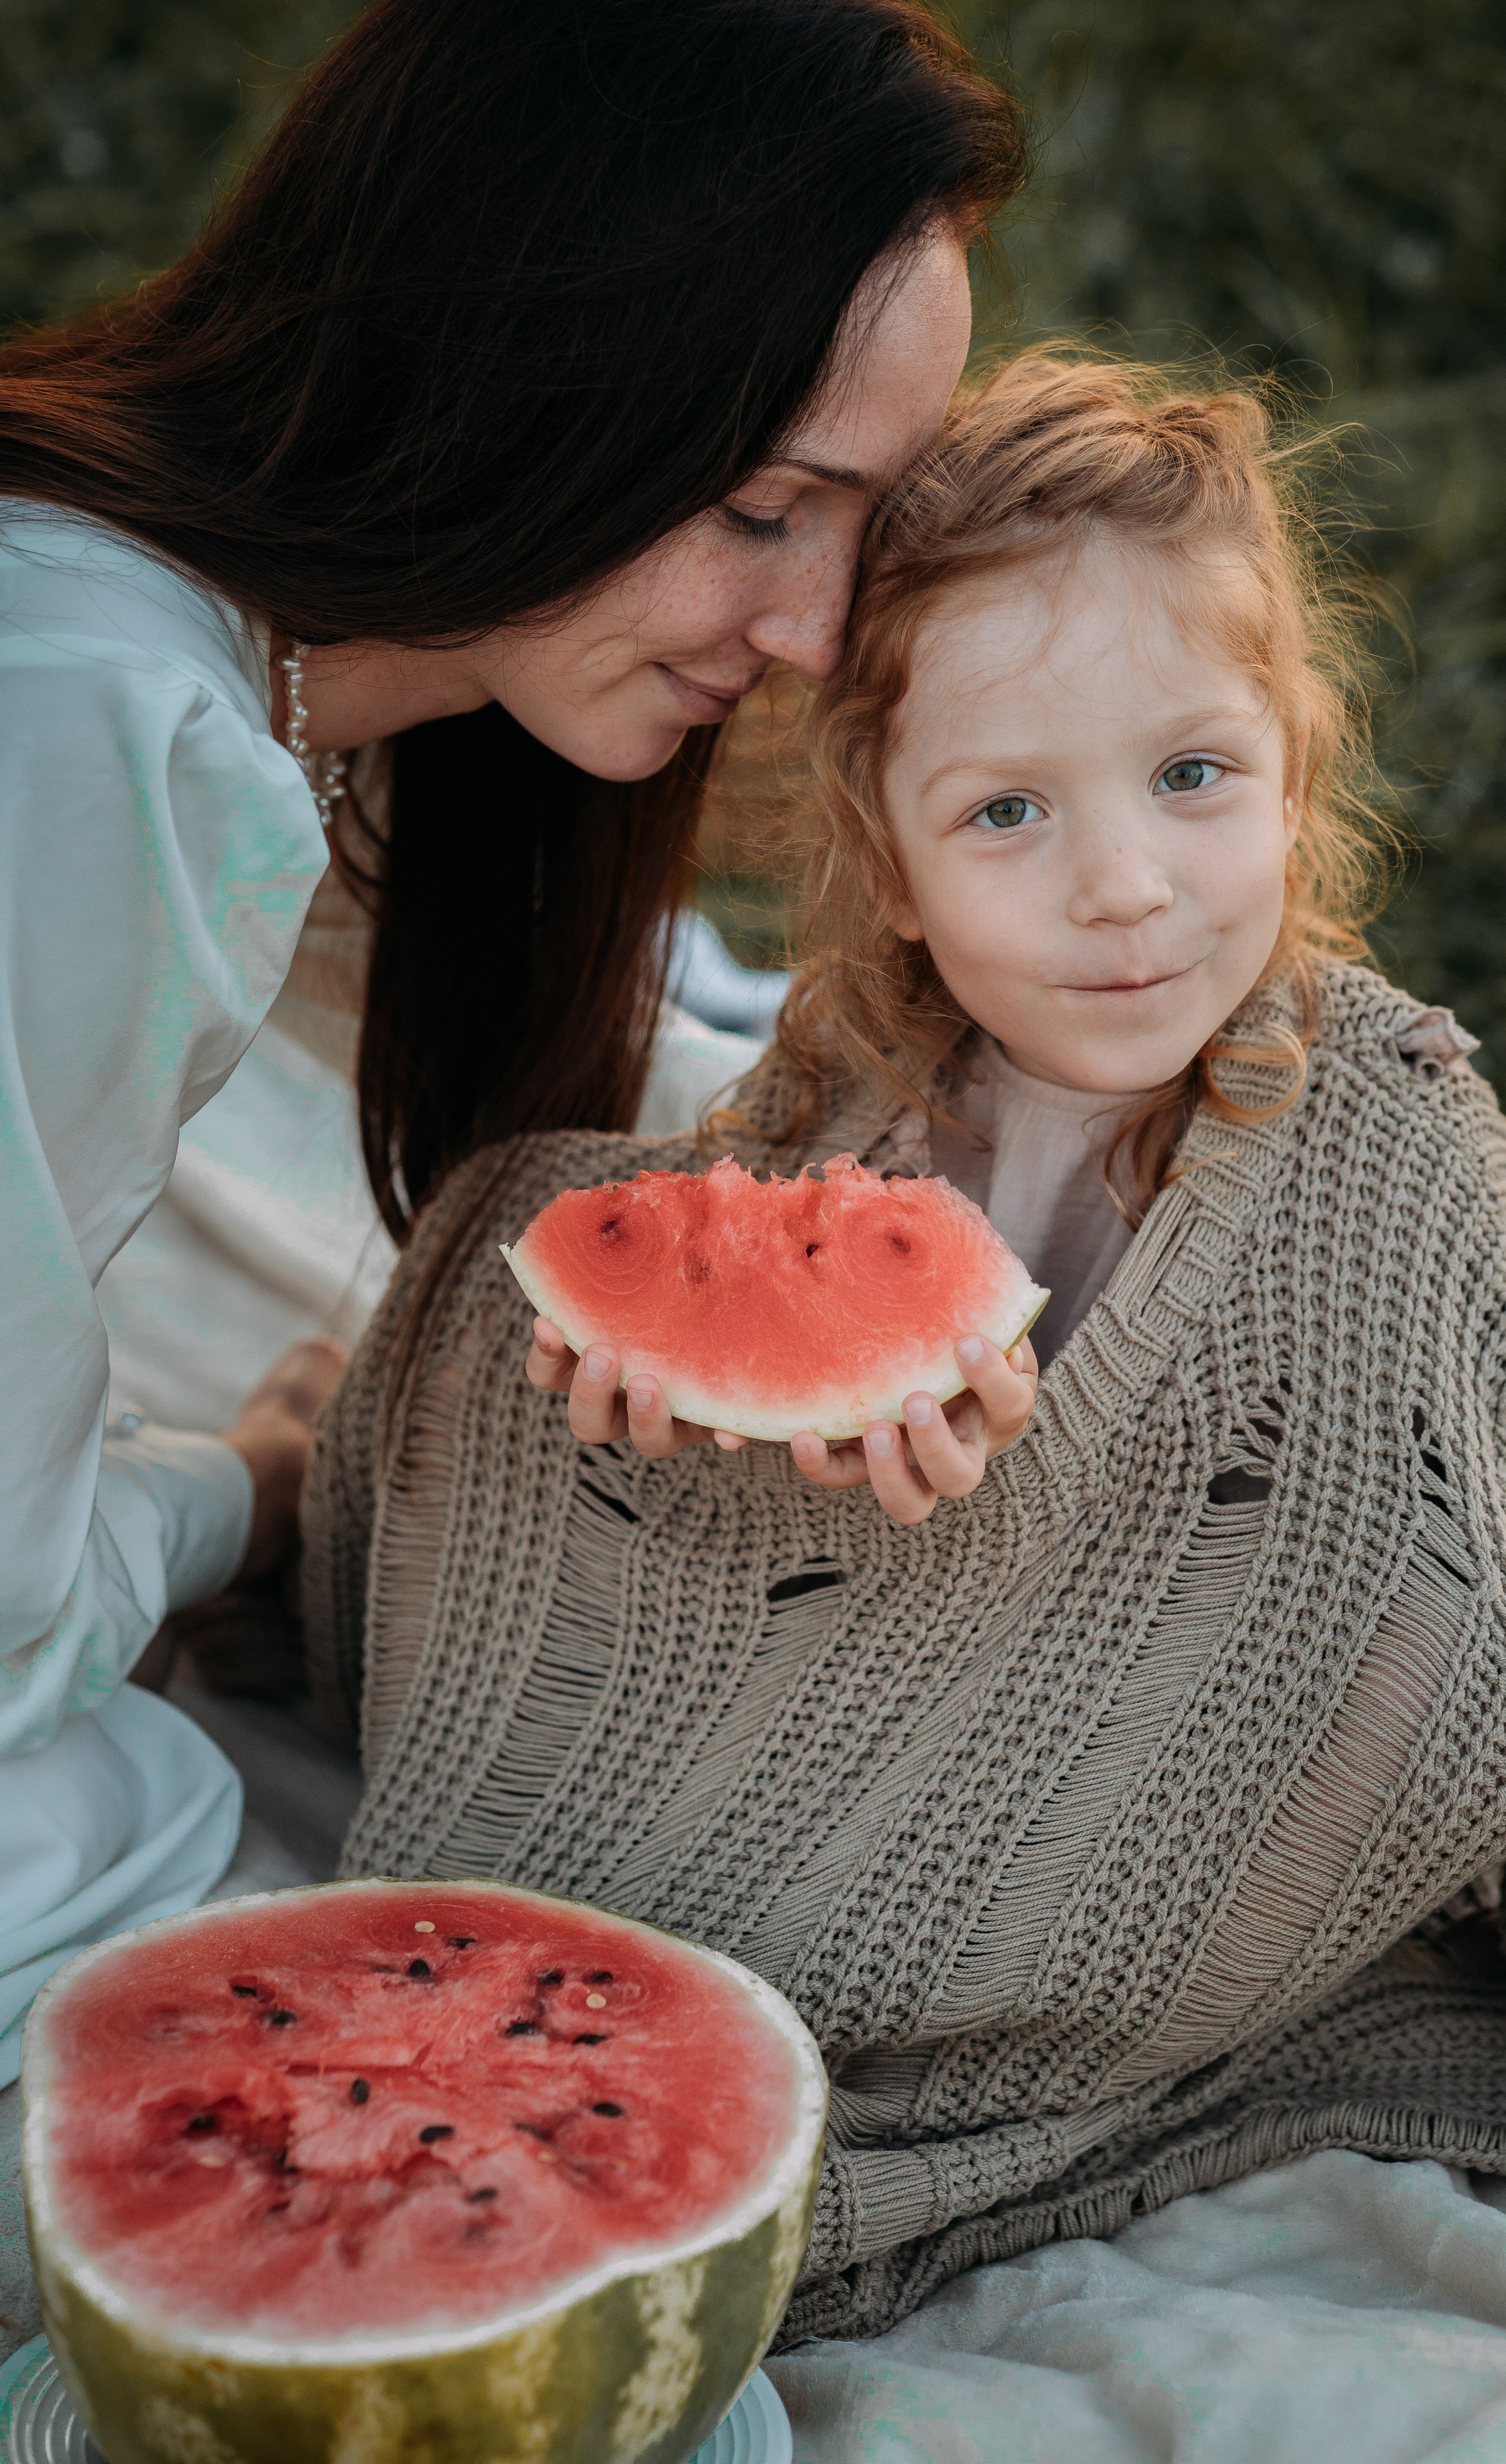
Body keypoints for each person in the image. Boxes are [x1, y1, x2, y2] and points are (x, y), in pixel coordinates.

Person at [303, 354, 1506, 2352]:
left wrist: (1478, 1197)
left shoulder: (1371, 1121)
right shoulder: (864, 1086)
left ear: (1292, 755)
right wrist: (698, 1449)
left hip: (1191, 1748)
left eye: (1196, 776)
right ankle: (272, 1473)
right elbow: (743, 1313)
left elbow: (1431, 1587)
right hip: (896, 1674)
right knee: (500, 1278)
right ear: (894, 866)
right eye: (1007, 811)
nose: (1125, 889)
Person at [0, 0, 1027, 2135]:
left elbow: (670, 1031)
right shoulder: (88, 731)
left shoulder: (276, 677)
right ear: (522, 378)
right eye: (764, 508)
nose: (823, 631)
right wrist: (242, 1499)